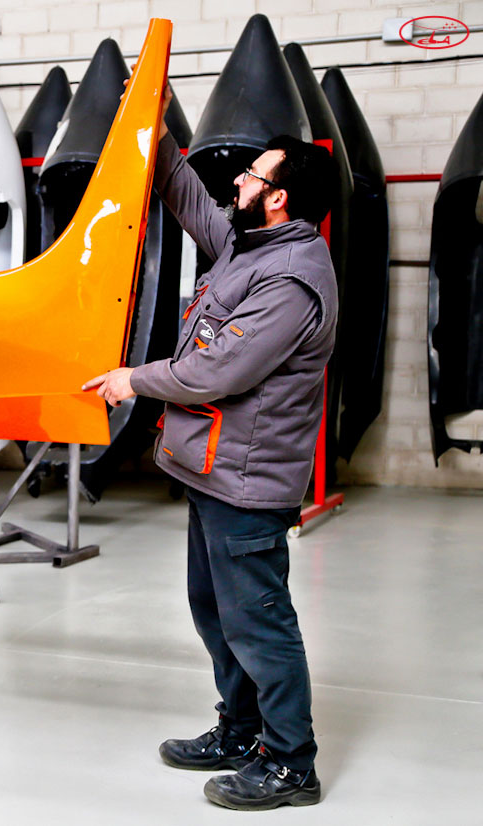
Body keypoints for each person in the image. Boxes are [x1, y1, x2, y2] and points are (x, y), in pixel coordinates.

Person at [84, 86, 338, 811]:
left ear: (278, 198)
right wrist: (154, 117)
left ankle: (291, 763)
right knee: (215, 609)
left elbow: (215, 370)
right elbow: (186, 195)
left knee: (258, 621)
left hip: (248, 482)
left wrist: (133, 379)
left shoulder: (291, 280)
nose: (238, 181)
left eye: (253, 175)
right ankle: (242, 730)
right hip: (211, 469)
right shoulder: (248, 244)